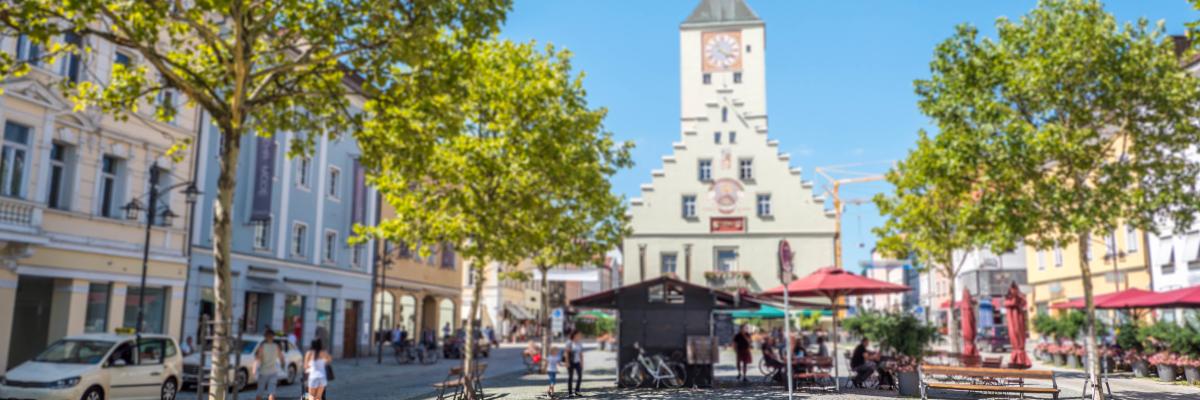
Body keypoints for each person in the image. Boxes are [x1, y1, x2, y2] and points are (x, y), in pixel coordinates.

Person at [255, 329, 285, 400]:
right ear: (273, 337)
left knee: (260, 391)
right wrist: (283, 365)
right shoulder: (276, 346)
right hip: (273, 372)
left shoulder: (262, 347)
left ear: (265, 337)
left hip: (263, 371)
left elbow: (258, 358)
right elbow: (281, 358)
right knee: (272, 392)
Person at [565, 331, 585, 397]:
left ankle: (577, 391)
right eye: (579, 335)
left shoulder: (579, 343)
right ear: (575, 335)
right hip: (570, 362)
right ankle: (570, 392)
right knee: (570, 377)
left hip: (577, 362)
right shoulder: (569, 342)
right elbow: (567, 353)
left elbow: (581, 354)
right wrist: (567, 362)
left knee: (580, 376)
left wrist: (582, 362)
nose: (580, 336)